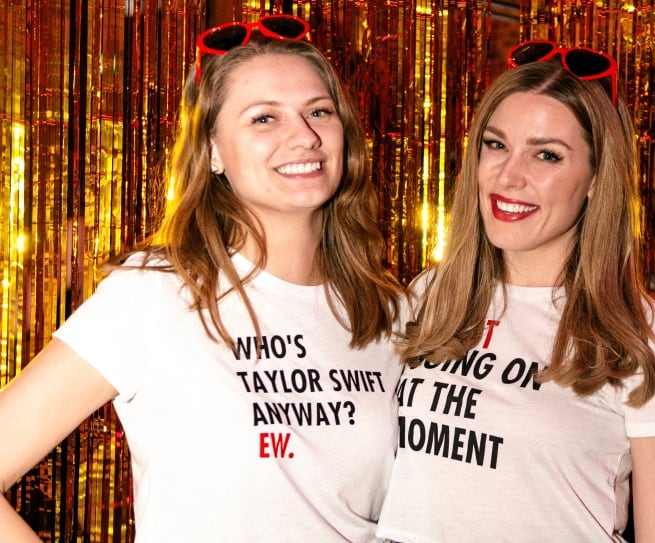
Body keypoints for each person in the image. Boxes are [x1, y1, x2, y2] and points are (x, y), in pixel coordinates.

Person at [0, 15, 404, 542]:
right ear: (212, 151)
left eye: (319, 112)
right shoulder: (153, 294)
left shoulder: (388, 311)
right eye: (264, 119)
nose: (303, 136)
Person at [376, 42, 655, 542]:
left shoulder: (647, 339)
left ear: (596, 178)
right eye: (496, 144)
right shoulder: (431, 295)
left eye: (546, 154)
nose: (509, 176)